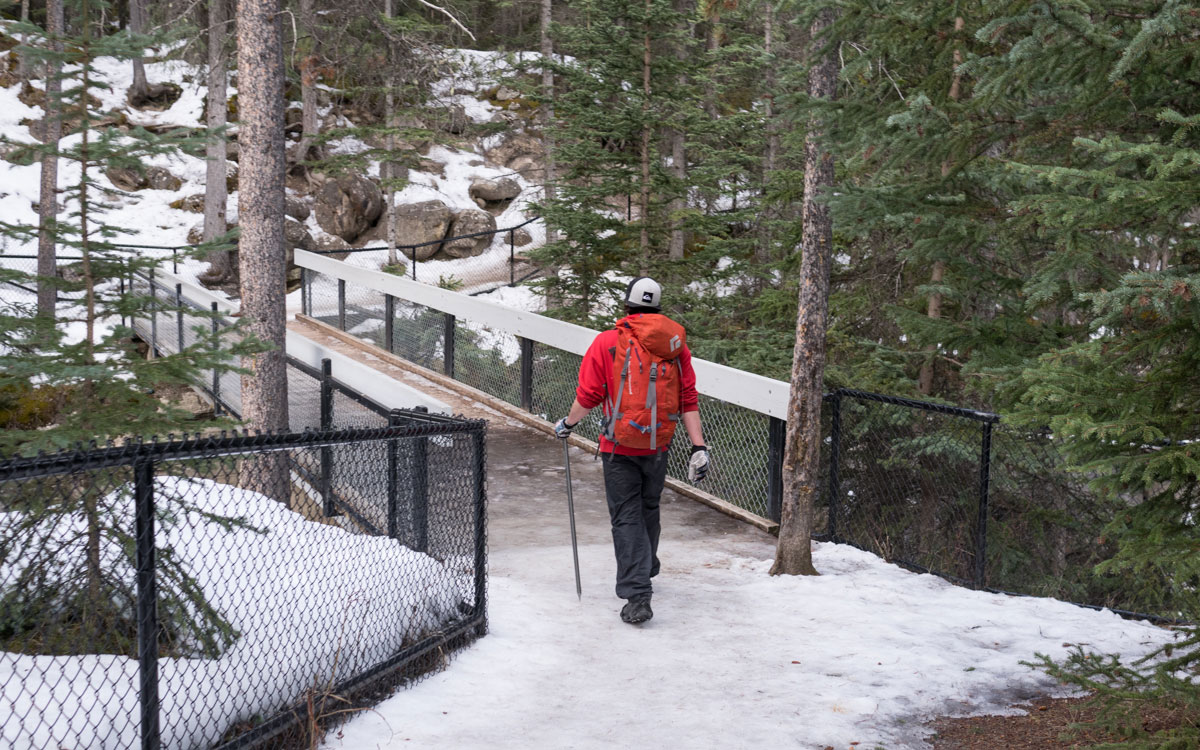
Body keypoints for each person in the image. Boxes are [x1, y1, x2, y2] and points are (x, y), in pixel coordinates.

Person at [554, 277, 710, 625]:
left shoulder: (608, 342)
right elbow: (688, 400)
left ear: (626, 307)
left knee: (626, 516)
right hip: (659, 444)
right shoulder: (675, 345)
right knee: (648, 506)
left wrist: (568, 424)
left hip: (618, 444)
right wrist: (698, 446)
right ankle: (646, 562)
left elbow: (589, 395)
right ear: (657, 309)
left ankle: (637, 594)